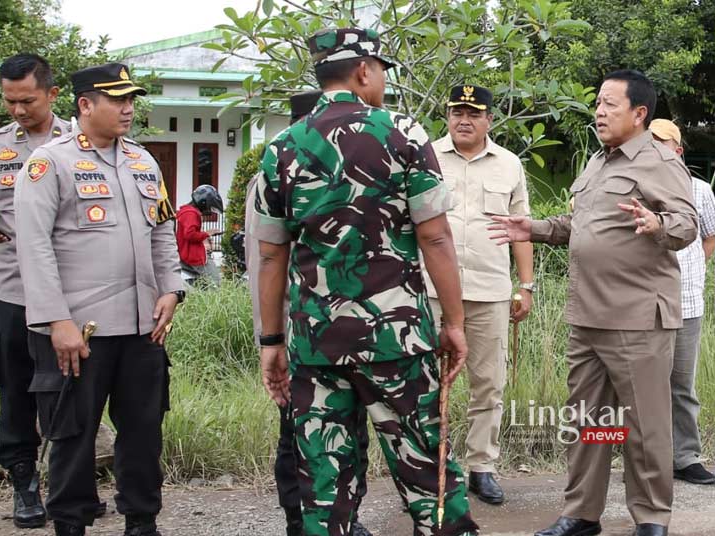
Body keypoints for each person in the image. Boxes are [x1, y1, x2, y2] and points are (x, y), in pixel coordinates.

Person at [254, 28, 479, 536]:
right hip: (395, 341)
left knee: (325, 485)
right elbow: (437, 239)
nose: (381, 80)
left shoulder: (281, 148)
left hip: (315, 345)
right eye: (380, 71)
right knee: (427, 471)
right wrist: (455, 322)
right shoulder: (404, 134)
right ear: (363, 71)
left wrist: (272, 341)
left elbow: (271, 256)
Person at [490, 70, 698, 536]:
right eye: (598, 104)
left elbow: (686, 224)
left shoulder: (659, 162)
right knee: (588, 423)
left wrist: (656, 224)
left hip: (638, 317)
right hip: (587, 316)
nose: (599, 112)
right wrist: (535, 229)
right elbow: (579, 225)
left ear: (640, 113)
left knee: (645, 427)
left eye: (610, 104)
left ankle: (651, 518)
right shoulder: (598, 164)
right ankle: (582, 513)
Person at [14, 63, 184, 536]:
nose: (129, 108)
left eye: (132, 99)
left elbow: (163, 231)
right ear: (86, 105)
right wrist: (56, 321)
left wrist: (172, 288)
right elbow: (33, 247)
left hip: (142, 327)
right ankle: (71, 522)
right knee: (73, 434)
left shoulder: (143, 161)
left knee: (144, 431)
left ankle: (142, 520)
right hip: (78, 332)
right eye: (118, 100)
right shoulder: (50, 163)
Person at [245, 89, 372, 536]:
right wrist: (272, 338)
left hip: (345, 330)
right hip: (298, 333)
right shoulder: (278, 172)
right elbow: (264, 262)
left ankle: (346, 514)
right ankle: (299, 518)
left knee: (350, 431)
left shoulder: (346, 178)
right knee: (298, 436)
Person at [0, 53, 69, 529]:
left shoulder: (82, 141)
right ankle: (24, 484)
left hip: (73, 291)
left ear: (51, 93)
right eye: (10, 102)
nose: (18, 110)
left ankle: (71, 484)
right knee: (16, 389)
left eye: (27, 100)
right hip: (13, 289)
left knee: (72, 389)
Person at [422, 84, 534, 505]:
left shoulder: (509, 164)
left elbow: (521, 229)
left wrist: (526, 286)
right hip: (431, 291)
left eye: (474, 112)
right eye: (457, 111)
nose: (464, 119)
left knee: (488, 384)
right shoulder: (426, 157)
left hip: (489, 292)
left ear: (490, 119)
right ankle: (429, 469)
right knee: (426, 384)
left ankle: (481, 467)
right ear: (447, 115)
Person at [649, 118, 715, 486]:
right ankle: (646, 461)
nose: (658, 150)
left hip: (687, 301)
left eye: (664, 144)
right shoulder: (637, 188)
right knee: (643, 386)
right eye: (651, 143)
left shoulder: (700, 190)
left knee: (682, 386)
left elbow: (710, 234)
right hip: (644, 303)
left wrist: (693, 269)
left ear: (678, 150)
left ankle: (686, 457)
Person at [176, 184, 224, 284]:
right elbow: (190, 235)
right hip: (194, 257)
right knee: (216, 282)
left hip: (186, 255)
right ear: (204, 202)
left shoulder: (186, 211)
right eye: (209, 208)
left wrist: (205, 236)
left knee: (201, 283)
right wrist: (207, 233)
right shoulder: (191, 213)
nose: (209, 212)